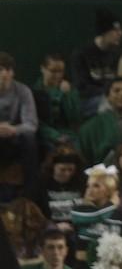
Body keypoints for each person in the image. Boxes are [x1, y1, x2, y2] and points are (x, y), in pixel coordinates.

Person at [70, 164, 122, 267]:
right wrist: (112, 204)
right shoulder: (78, 210)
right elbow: (97, 216)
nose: (90, 189)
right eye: (88, 185)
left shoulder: (121, 218)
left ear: (108, 190)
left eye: (96, 186)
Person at [0, 52, 40, 199]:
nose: (3, 75)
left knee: (29, 138)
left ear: (12, 73)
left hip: (14, 139)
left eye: (7, 70)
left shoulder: (23, 91)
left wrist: (13, 130)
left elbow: (31, 124)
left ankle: (30, 195)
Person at [69, 9, 122, 117]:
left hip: (112, 97)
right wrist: (109, 93)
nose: (120, 33)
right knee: (109, 104)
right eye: (115, 30)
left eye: (120, 29)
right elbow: (82, 87)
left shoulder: (118, 54)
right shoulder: (82, 54)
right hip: (88, 101)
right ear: (104, 32)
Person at [31, 53, 82, 151]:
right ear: (43, 69)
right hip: (45, 134)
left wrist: (68, 96)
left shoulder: (70, 90)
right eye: (53, 71)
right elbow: (37, 121)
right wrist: (55, 136)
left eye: (61, 71)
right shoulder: (34, 92)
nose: (58, 75)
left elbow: (75, 118)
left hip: (68, 133)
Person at [36, 145, 85, 237]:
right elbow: (35, 214)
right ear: (53, 167)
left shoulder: (82, 182)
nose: (67, 174)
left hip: (78, 230)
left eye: (70, 170)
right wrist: (53, 226)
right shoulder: (40, 184)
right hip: (49, 231)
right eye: (62, 170)